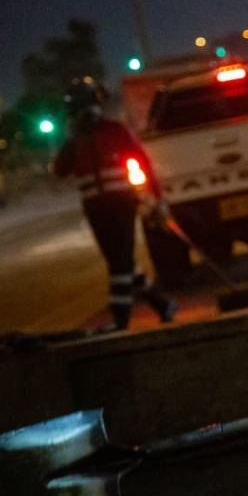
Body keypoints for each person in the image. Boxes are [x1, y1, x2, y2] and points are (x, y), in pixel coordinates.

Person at [53, 78, 177, 330]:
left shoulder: (115, 130)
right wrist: (71, 140)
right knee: (120, 262)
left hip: (120, 205)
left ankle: (120, 319)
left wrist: (158, 199)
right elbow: (59, 170)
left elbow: (143, 161)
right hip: (96, 210)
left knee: (120, 263)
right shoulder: (75, 140)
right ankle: (162, 304)